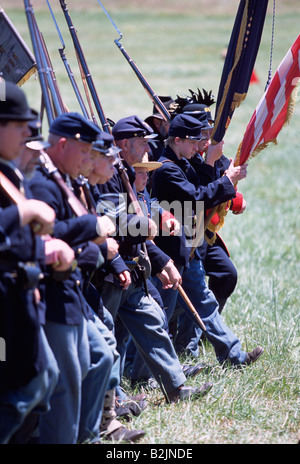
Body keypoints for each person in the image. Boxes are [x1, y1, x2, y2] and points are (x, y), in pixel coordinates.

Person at [92, 115, 213, 403]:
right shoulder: (107, 177)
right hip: (110, 273)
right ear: (124, 144)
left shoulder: (125, 174)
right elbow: (110, 221)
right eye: (142, 142)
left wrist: (162, 262)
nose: (148, 147)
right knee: (107, 337)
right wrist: (143, 229)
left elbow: (140, 231)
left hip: (133, 270)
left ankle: (175, 388)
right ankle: (115, 399)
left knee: (154, 320)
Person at [28, 112, 120, 444]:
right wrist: (91, 232)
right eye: (84, 152)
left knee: (94, 361)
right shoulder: (42, 185)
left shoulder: (65, 181)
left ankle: (87, 435)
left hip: (74, 293)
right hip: (54, 294)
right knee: (64, 385)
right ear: (63, 145)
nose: (88, 159)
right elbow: (47, 235)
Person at [152, 113, 264, 367]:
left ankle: (233, 356)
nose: (197, 147)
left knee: (204, 302)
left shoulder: (183, 161)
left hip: (188, 248)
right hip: (169, 252)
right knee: (158, 315)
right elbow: (196, 197)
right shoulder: (166, 168)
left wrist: (213, 164)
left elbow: (200, 183)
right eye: (193, 142)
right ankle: (146, 370)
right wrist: (227, 180)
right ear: (177, 140)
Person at [0, 82, 75, 444]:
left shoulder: (9, 174)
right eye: (17, 125)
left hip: (20, 300)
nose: (27, 133)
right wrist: (23, 212)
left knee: (40, 382)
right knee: (18, 390)